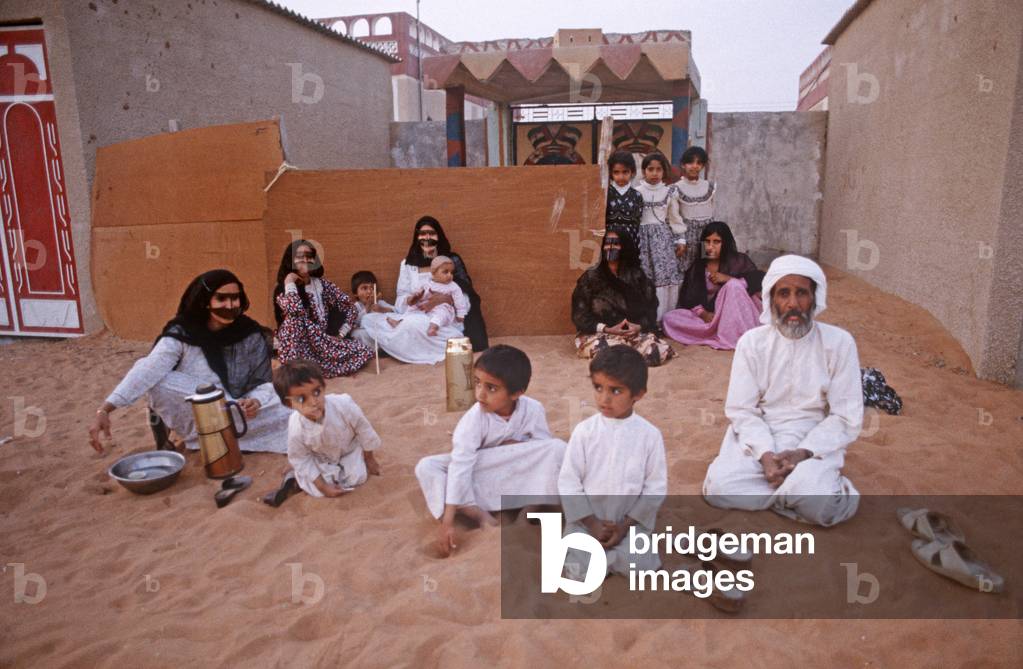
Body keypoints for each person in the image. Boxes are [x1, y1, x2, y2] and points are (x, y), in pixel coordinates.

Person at [703, 255, 863, 526]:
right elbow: (742, 411)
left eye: (801, 293)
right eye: (784, 293)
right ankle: (793, 493)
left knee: (822, 507)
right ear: (771, 299)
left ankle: (797, 487)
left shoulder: (839, 343)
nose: (792, 303)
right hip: (762, 432)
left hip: (813, 435)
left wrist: (803, 452)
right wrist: (765, 455)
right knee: (720, 487)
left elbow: (845, 417)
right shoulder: (751, 343)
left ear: (814, 298)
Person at [88, 269, 291, 454]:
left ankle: (224, 437)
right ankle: (207, 436)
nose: (230, 305)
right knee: (155, 377)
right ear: (205, 301)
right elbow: (147, 372)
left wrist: (255, 401)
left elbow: (262, 383)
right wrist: (105, 410)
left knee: (290, 402)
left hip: (242, 411)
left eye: (235, 298)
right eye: (221, 298)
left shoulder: (248, 332)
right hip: (201, 411)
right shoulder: (183, 333)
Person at [415, 345, 567, 557]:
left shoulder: (533, 409)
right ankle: (478, 515)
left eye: (491, 388)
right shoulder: (474, 419)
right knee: (427, 466)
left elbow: (541, 453)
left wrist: (514, 447)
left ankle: (530, 511)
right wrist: (447, 522)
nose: (480, 394)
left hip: (518, 473)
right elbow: (461, 465)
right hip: (481, 471)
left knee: (556, 448)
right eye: (477, 383)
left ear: (517, 393)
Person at [558, 345, 667, 576]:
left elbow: (654, 489)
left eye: (616, 391)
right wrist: (592, 524)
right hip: (586, 522)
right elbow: (569, 482)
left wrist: (624, 527)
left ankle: (610, 559)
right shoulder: (584, 432)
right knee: (577, 564)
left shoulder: (649, 435)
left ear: (638, 394)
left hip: (629, 524)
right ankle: (602, 560)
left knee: (641, 563)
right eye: (598, 388)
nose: (604, 399)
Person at [360, 216, 489, 364]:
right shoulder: (408, 264)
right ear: (417, 237)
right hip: (415, 311)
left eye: (431, 233)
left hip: (443, 318)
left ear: (438, 236)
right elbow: (401, 298)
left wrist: (441, 299)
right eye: (422, 234)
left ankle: (402, 339)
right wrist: (411, 299)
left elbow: (466, 295)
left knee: (412, 325)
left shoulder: (450, 260)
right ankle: (403, 333)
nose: (427, 237)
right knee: (369, 319)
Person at [273, 360, 381, 498]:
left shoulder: (344, 404)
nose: (313, 402)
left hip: (348, 450)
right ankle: (293, 476)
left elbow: (363, 429)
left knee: (357, 477)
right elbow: (302, 458)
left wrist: (369, 459)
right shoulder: (296, 427)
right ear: (288, 404)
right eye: (301, 399)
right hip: (320, 457)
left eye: (316, 392)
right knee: (317, 489)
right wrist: (323, 487)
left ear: (324, 387)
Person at [571, 229, 676, 367]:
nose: (610, 247)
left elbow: (650, 308)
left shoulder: (637, 276)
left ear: (624, 247)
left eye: (616, 244)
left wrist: (638, 327)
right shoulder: (591, 277)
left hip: (631, 333)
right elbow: (579, 315)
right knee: (608, 353)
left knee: (654, 353)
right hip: (599, 334)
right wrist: (608, 329)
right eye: (607, 243)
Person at [273, 240, 374, 377]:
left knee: (363, 351)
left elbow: (350, 307)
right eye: (299, 256)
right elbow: (294, 311)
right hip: (299, 347)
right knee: (293, 320)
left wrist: (341, 334)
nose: (305, 260)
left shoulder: (322, 284)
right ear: (291, 260)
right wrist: (289, 282)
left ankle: (314, 369)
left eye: (309, 256)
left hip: (323, 344)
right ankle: (296, 370)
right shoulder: (283, 288)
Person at [663, 222, 765, 350]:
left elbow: (759, 279)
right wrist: (703, 313)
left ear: (725, 243)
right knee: (669, 318)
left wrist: (728, 279)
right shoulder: (699, 266)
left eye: (716, 242)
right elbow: (689, 297)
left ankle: (734, 334)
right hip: (711, 317)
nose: (710, 247)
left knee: (733, 285)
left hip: (735, 316)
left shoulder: (738, 260)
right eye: (707, 241)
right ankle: (719, 331)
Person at [634, 152, 686, 322]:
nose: (654, 173)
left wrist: (680, 239)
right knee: (644, 274)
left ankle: (663, 318)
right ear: (643, 171)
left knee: (664, 275)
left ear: (664, 172)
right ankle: (644, 318)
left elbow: (674, 218)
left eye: (659, 169)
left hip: (663, 240)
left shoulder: (669, 192)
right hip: (641, 240)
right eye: (650, 169)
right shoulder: (636, 192)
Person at [386, 256, 469, 337]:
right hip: (426, 305)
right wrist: (418, 295)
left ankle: (433, 328)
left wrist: (460, 315)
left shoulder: (453, 286)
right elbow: (421, 292)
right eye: (445, 272)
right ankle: (401, 322)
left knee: (442, 312)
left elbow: (459, 301)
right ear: (433, 273)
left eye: (451, 272)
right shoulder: (427, 282)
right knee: (413, 307)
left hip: (443, 307)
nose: (449, 275)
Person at [675, 146, 717, 276]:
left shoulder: (709, 187)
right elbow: (675, 217)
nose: (695, 166)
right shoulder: (676, 188)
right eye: (691, 162)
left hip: (706, 235)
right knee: (685, 269)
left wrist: (713, 237)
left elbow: (713, 211)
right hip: (687, 235)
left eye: (699, 163)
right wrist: (681, 239)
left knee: (706, 266)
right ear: (683, 164)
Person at [604, 150, 644, 246]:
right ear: (610, 173)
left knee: (629, 260)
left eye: (625, 172)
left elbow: (638, 220)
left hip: (631, 238)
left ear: (632, 172)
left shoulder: (637, 195)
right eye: (616, 172)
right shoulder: (605, 194)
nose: (621, 176)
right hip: (610, 239)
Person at [349, 270, 394, 348]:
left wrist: (382, 309)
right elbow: (354, 322)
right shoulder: (356, 306)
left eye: (372, 288)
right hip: (369, 335)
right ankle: (381, 349)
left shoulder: (379, 303)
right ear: (355, 293)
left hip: (382, 332)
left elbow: (395, 311)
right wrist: (368, 306)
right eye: (364, 288)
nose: (369, 291)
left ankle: (386, 348)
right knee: (357, 334)